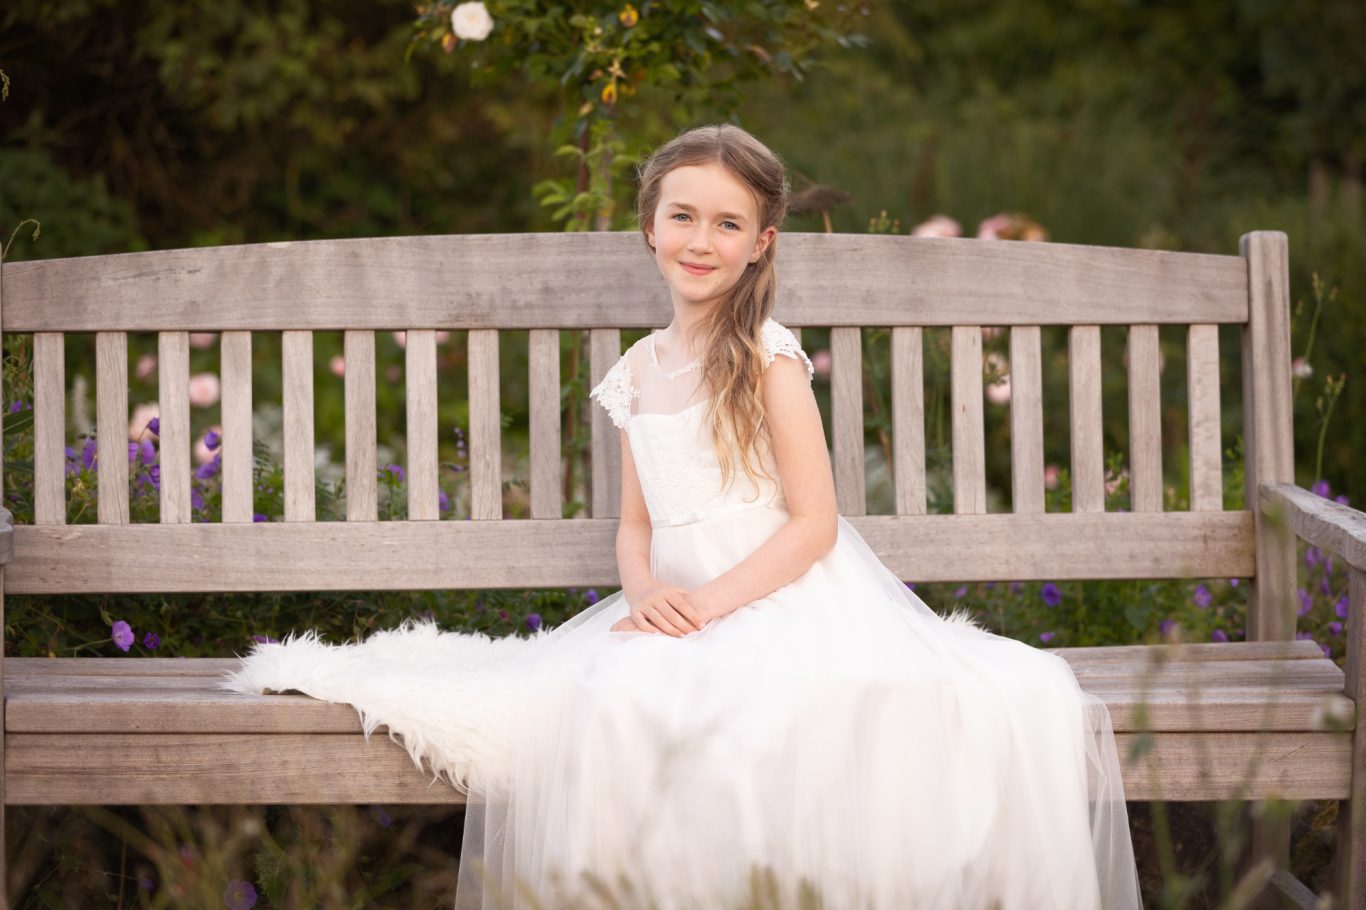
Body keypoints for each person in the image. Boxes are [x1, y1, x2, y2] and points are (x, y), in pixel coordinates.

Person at [222, 123, 1143, 909]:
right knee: (606, 698)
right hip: (679, 600)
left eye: (729, 223)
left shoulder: (770, 359)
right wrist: (648, 590)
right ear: (650, 229)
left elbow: (815, 523)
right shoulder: (637, 370)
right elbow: (634, 523)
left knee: (760, 712)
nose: (702, 239)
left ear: (762, 244)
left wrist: (709, 607)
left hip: (780, 593)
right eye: (684, 216)